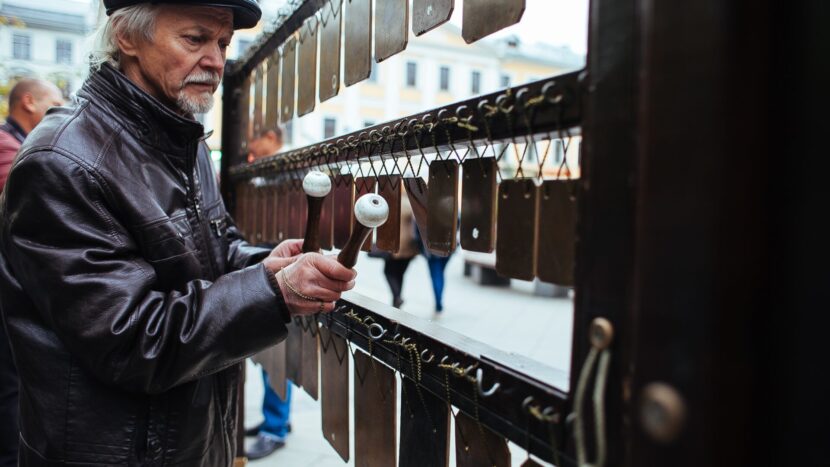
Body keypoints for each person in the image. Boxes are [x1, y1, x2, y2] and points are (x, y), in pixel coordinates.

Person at [0, 1, 356, 465]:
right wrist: (273, 292)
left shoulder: (181, 136)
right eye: (194, 39)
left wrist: (266, 265)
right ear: (126, 37)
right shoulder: (61, 163)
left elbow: (215, 250)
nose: (214, 60)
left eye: (223, 43)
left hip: (188, 440)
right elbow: (131, 339)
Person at [0, 78, 63, 467]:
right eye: (53, 104)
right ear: (28, 102)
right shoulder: (10, 148)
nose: (59, 111)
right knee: (10, 387)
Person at [244, 126, 293, 460]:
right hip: (265, 269)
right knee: (266, 356)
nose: (249, 146)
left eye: (253, 138)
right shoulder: (266, 174)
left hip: (283, 276)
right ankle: (277, 419)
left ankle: (275, 427)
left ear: (272, 137)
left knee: (277, 357)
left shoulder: (287, 174)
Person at [0, 79, 64, 189]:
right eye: (56, 105)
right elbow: (25, 192)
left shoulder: (16, 139)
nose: (62, 113)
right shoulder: (4, 143)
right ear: (29, 102)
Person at [382, 194, 418, 308]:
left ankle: (397, 297)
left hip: (396, 243)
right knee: (400, 273)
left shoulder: (394, 203)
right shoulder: (412, 204)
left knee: (388, 272)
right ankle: (397, 299)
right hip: (410, 245)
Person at [415, 225, 454, 313]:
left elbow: (418, 229)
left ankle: (438, 302)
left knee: (436, 275)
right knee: (440, 273)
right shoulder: (451, 210)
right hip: (448, 246)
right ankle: (439, 301)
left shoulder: (427, 211)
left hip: (433, 249)